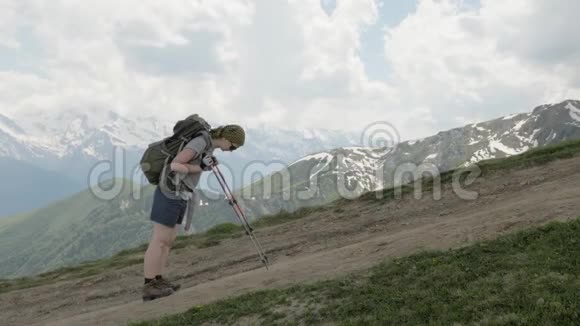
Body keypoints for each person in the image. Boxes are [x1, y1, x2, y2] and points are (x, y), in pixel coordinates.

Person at [142, 124, 245, 302]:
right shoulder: (200, 142)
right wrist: (201, 168)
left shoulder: (209, 146)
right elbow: (175, 165)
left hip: (182, 193)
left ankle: (159, 280)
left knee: (168, 241)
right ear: (227, 140)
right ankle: (149, 285)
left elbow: (194, 164)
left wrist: (204, 164)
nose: (233, 150)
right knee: (159, 240)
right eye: (234, 146)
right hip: (170, 191)